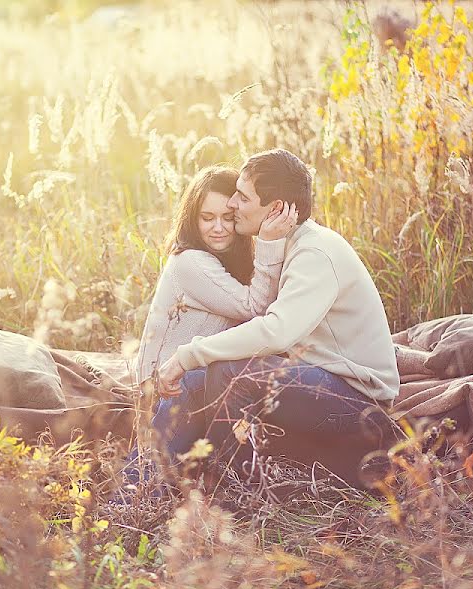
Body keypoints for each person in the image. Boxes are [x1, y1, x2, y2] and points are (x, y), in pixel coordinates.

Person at [155, 148, 401, 478]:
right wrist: (189, 364)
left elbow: (275, 331)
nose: (232, 204)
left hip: (359, 404)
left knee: (232, 372)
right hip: (320, 383)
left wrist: (190, 353)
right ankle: (145, 481)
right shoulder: (288, 245)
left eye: (242, 197)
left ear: (274, 209)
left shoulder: (315, 253)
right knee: (200, 379)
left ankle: (226, 487)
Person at [123, 165, 297, 484]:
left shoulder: (231, 261)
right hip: (170, 391)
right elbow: (256, 308)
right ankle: (134, 493)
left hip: (204, 383)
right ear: (193, 218)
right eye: (207, 218)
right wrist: (271, 243)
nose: (219, 228)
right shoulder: (191, 262)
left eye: (228, 217)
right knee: (146, 489)